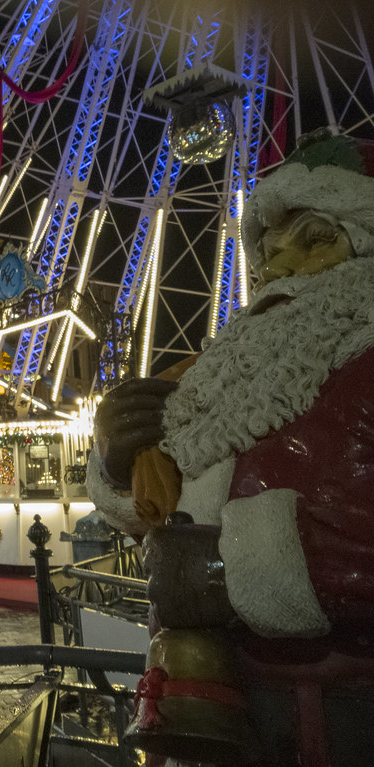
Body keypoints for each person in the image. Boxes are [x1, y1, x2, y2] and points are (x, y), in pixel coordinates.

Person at [89, 130, 374, 765]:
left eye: (315, 242)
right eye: (268, 253)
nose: (281, 269)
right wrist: (119, 453)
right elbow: (151, 506)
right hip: (226, 705)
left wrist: (236, 564)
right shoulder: (221, 371)